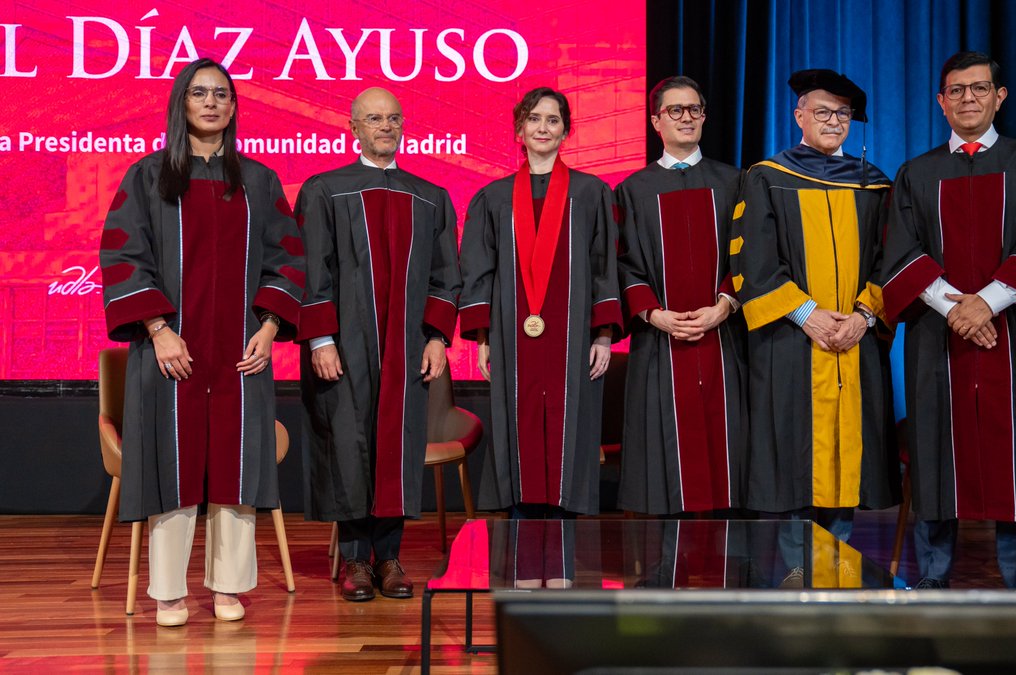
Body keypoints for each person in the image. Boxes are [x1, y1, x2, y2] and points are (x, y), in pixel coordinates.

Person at [99, 58, 304, 626]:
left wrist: (269, 328)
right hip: (173, 354)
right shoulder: (148, 177)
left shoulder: (258, 182)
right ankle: (168, 591)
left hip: (242, 353)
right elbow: (122, 257)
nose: (210, 102)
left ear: (234, 107)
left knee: (236, 469)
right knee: (175, 464)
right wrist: (159, 331)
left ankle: (229, 586)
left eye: (221, 94)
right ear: (181, 103)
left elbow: (287, 261)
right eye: (199, 93)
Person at [881, 51, 1016, 589]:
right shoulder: (916, 173)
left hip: (1013, 338)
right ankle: (933, 581)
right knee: (935, 456)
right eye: (957, 90)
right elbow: (899, 253)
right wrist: (956, 309)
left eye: (979, 88)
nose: (968, 98)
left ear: (999, 96)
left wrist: (987, 302)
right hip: (936, 339)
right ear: (941, 102)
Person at [294, 88, 461, 601]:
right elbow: (310, 269)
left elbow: (445, 276)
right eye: (373, 118)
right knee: (347, 443)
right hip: (344, 344)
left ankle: (389, 558)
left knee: (397, 445)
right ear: (353, 127)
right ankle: (353, 561)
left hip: (407, 347)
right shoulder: (325, 190)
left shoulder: (430, 196)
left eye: (393, 118)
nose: (384, 126)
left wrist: (437, 337)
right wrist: (320, 337)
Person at [731, 69, 898, 543]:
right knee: (792, 458)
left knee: (849, 461)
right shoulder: (768, 177)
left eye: (843, 113)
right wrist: (808, 314)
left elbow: (893, 259)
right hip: (790, 341)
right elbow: (753, 260)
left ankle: (836, 568)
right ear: (798, 115)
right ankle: (792, 576)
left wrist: (865, 316)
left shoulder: (874, 185)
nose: (833, 121)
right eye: (822, 111)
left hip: (855, 340)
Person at [459, 87, 623, 518]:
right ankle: (522, 550)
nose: (543, 127)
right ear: (519, 129)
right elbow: (479, 270)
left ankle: (565, 553)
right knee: (519, 431)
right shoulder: (493, 198)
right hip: (513, 335)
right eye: (534, 119)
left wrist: (604, 335)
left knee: (572, 431)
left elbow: (606, 266)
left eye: (553, 120)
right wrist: (483, 338)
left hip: (575, 339)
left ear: (566, 131)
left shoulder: (591, 193)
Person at [614, 75, 748, 515]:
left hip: (724, 338)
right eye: (675, 110)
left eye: (694, 109)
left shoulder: (736, 182)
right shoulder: (633, 190)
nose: (686, 117)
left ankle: (731, 561)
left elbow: (752, 256)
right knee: (665, 450)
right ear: (656, 121)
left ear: (705, 117)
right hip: (660, 340)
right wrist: (653, 314)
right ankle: (666, 564)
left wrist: (724, 305)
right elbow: (623, 264)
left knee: (727, 440)